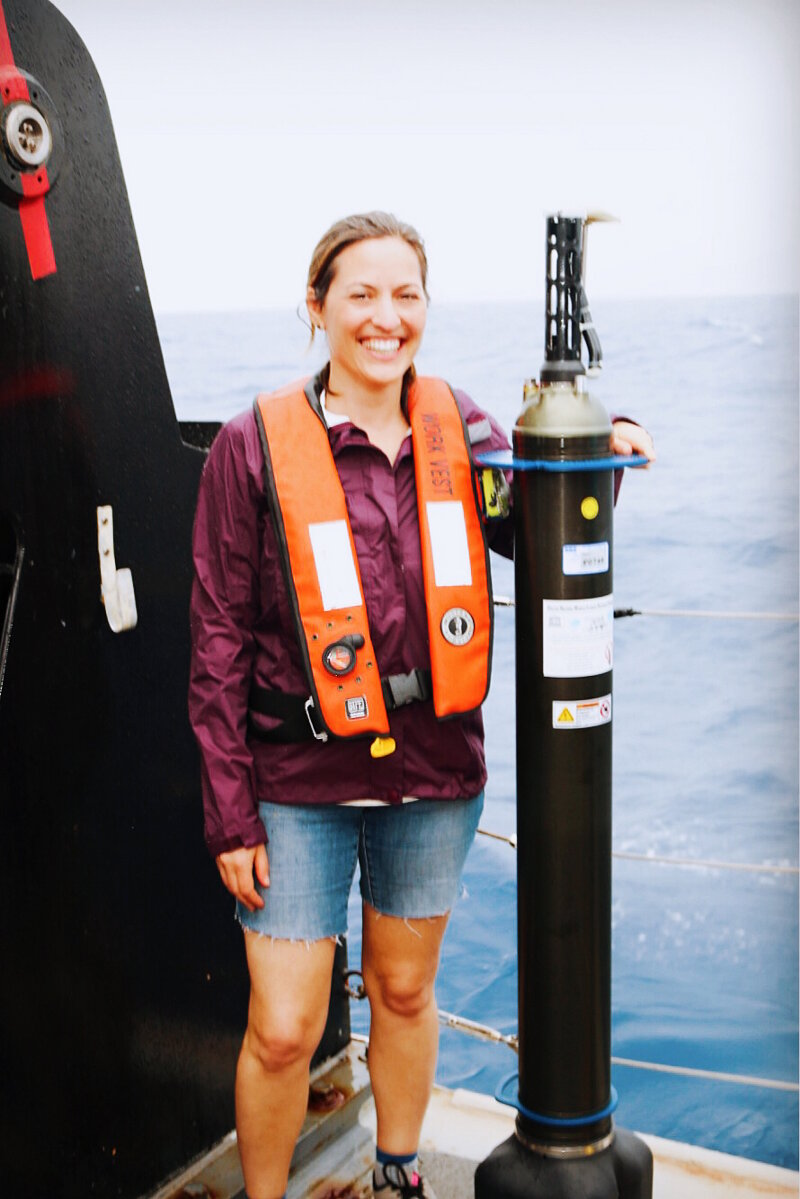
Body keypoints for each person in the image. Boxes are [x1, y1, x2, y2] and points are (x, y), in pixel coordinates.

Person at [189, 211, 654, 1199]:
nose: (383, 316)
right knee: (281, 1027)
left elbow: (529, 536)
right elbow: (218, 635)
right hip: (293, 780)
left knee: (402, 987)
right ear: (317, 307)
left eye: (404, 293)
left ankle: (395, 1169)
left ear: (425, 307)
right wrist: (229, 804)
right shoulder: (248, 444)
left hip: (430, 775)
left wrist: (594, 458)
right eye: (360, 292)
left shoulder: (465, 426)